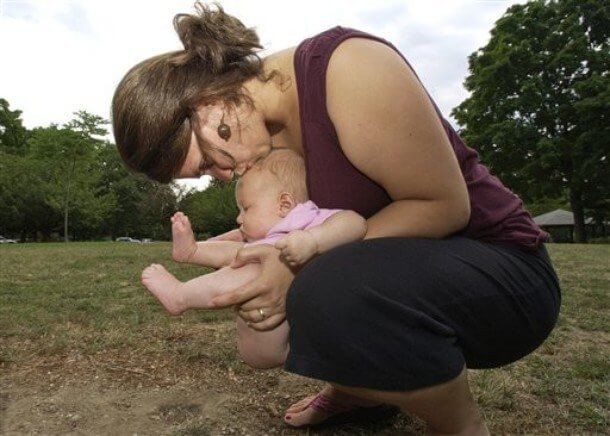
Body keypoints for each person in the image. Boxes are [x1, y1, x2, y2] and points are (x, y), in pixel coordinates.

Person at [112, 3, 561, 434]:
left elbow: (444, 206)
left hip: (504, 273)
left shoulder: (348, 70)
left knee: (327, 284)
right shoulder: (266, 139)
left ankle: (459, 425)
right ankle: (361, 394)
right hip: (411, 270)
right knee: (310, 275)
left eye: (208, 163)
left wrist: (296, 265)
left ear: (208, 105)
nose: (224, 175)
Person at [141, 149, 366, 369]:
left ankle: (181, 296)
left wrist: (313, 240)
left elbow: (355, 222)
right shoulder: (266, 235)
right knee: (245, 254)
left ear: (284, 204)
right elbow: (232, 250)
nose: (239, 217)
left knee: (250, 267)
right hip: (257, 340)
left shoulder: (308, 219)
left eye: (246, 208)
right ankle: (192, 251)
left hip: (279, 339)